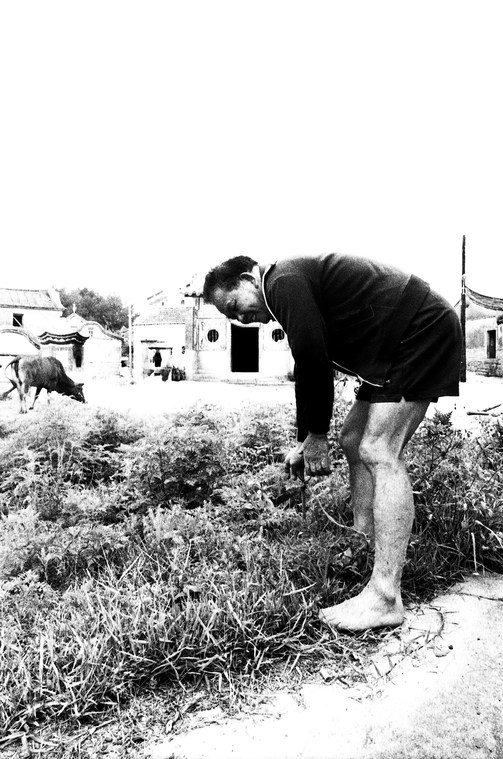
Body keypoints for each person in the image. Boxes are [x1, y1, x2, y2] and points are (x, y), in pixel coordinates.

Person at [203, 253, 462, 632]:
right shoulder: (283, 288)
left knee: (379, 449)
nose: (240, 320)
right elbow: (305, 366)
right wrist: (305, 439)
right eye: (231, 318)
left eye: (234, 307)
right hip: (394, 343)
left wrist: (317, 435)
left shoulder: (281, 283)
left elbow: (314, 358)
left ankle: (385, 597)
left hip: (418, 329)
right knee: (353, 438)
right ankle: (362, 542)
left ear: (247, 278)